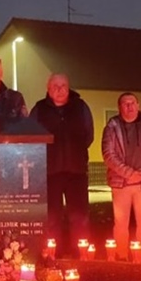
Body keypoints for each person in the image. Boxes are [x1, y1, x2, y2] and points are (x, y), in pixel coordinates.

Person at [30, 74, 94, 257]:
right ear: (48, 89)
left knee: (79, 217)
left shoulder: (81, 107)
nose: (59, 89)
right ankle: (52, 254)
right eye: (55, 86)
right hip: (49, 172)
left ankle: (80, 254)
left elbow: (88, 135)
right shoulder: (39, 109)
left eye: (63, 85)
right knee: (51, 218)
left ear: (69, 87)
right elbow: (32, 136)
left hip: (77, 171)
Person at [102, 92, 141, 260]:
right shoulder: (112, 127)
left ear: (138, 105)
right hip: (121, 183)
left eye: (132, 103)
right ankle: (121, 256)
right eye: (125, 104)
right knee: (120, 223)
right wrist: (129, 173)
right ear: (119, 107)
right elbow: (108, 154)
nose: (129, 107)